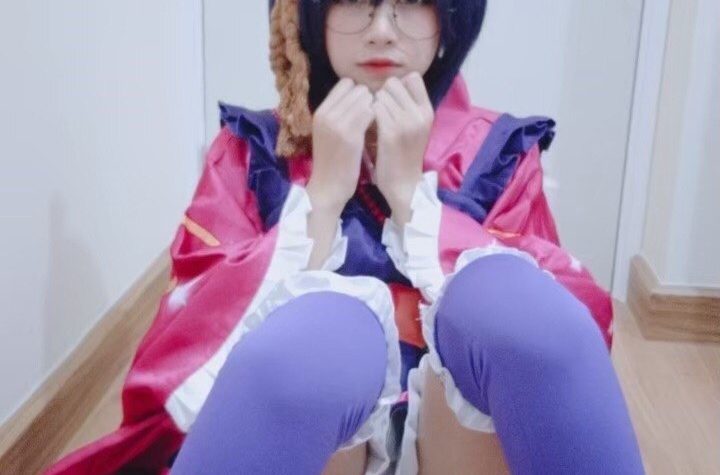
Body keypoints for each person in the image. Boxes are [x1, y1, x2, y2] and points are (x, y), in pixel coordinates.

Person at [45, 1, 645, 474]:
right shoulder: (252, 152)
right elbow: (183, 349)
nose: (382, 30)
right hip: (303, 446)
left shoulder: (496, 154)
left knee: (512, 307)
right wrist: (323, 199)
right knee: (320, 339)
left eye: (410, 0)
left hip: (462, 446)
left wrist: (410, 199)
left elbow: (564, 353)